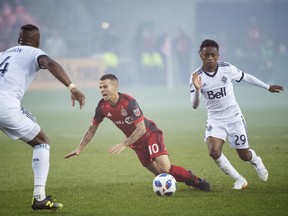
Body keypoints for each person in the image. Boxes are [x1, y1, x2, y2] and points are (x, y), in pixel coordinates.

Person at [65, 74, 210, 192]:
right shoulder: (102, 107)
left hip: (150, 134)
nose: (102, 90)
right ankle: (183, 175)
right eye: (100, 87)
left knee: (165, 169)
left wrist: (124, 144)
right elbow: (92, 129)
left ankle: (197, 181)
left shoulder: (129, 102)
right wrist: (80, 148)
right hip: (135, 142)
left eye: (105, 87)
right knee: (160, 174)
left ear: (115, 87)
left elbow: (141, 128)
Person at [0, 24, 86, 210]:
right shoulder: (34, 53)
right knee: (41, 141)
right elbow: (51, 64)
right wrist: (72, 87)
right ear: (38, 41)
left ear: (18, 40)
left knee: (28, 117)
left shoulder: (4, 54)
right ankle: (39, 197)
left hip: (5, 104)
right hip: (5, 106)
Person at [189, 39, 284, 190]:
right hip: (215, 120)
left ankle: (257, 161)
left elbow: (246, 77)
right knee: (214, 152)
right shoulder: (196, 77)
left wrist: (267, 87)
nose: (210, 58)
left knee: (244, 155)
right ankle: (240, 180)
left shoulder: (227, 69)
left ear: (218, 55)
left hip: (234, 117)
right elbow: (194, 106)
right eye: (206, 55)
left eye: (213, 55)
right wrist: (198, 89)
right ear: (201, 55)